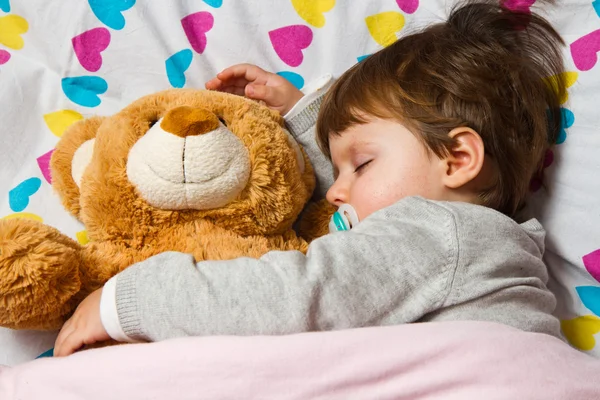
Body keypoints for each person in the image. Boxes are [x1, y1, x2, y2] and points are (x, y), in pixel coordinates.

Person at [54, 1, 567, 356]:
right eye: (337, 166)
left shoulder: (438, 230)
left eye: (361, 164)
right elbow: (358, 232)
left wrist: (133, 300)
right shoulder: (483, 245)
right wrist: (304, 118)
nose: (337, 189)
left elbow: (298, 295)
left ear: (457, 159)